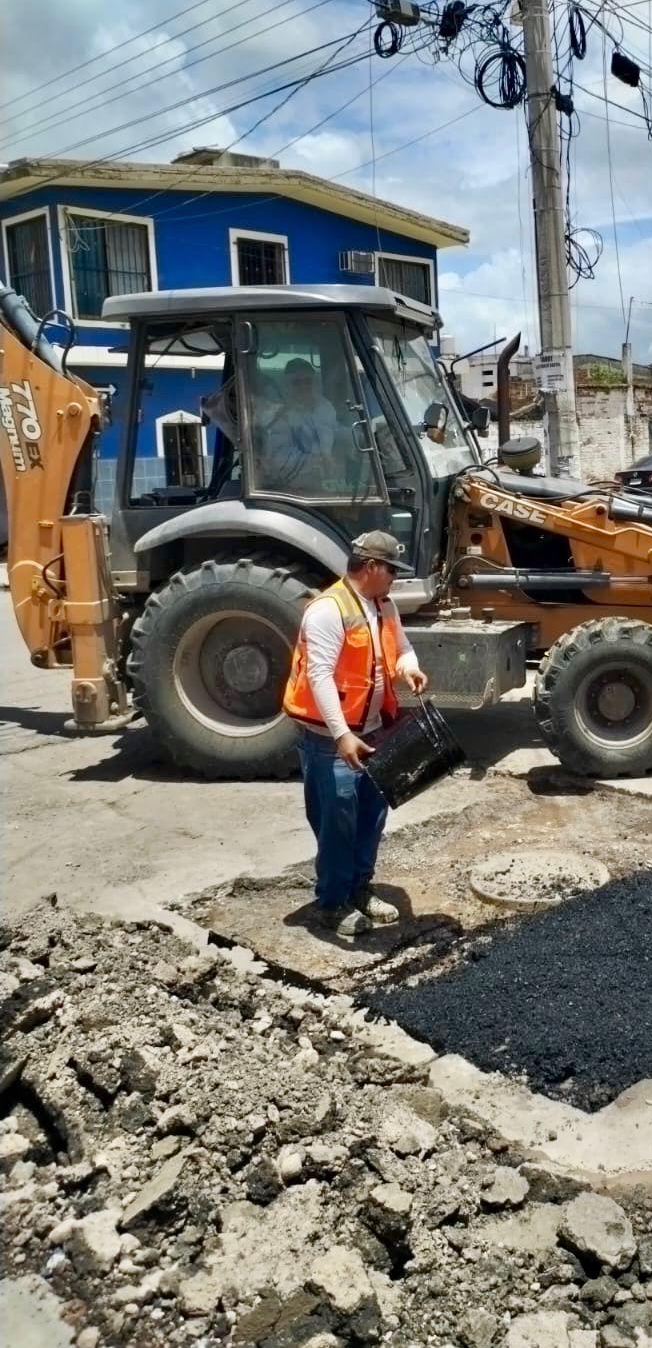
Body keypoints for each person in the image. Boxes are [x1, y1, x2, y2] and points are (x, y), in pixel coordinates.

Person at [283, 530, 428, 937]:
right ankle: (332, 904)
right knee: (337, 823)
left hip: (374, 731)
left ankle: (359, 888)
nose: (395, 578)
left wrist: (409, 668)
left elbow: (402, 648)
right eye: (391, 570)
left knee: (370, 816)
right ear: (372, 567)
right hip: (330, 741)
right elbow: (320, 677)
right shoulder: (327, 611)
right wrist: (342, 734)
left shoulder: (384, 606)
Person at [260, 358, 337, 491]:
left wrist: (356, 438)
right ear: (287, 386)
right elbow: (277, 456)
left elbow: (334, 429)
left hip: (325, 482)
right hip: (289, 487)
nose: (303, 387)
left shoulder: (324, 406)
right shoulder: (277, 415)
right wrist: (313, 460)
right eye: (297, 383)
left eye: (307, 381)